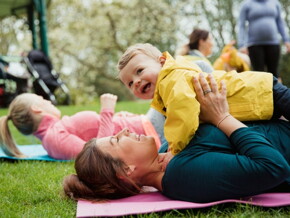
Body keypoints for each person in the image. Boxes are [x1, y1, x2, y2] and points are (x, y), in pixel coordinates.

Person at [63, 75, 290, 203]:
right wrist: (222, 117)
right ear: (126, 170)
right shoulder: (183, 176)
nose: (123, 131)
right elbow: (273, 166)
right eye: (116, 140)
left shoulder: (169, 147)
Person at [117, 43, 290, 155]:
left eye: (139, 71)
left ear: (161, 62)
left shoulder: (171, 80)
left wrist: (174, 150)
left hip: (259, 92)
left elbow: (184, 114)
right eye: (130, 83)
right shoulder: (165, 89)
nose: (137, 81)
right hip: (258, 99)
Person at [0, 93, 165, 160]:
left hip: (147, 125)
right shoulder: (54, 138)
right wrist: (107, 110)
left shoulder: (55, 131)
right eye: (44, 100)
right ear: (37, 109)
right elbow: (99, 154)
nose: (49, 101)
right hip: (152, 133)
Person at [238, 0, 290, 78]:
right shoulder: (246, 4)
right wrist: (242, 44)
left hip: (273, 43)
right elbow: (241, 25)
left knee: (274, 73)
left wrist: (286, 40)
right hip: (254, 45)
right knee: (258, 73)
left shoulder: (275, 3)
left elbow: (280, 23)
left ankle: (274, 90)